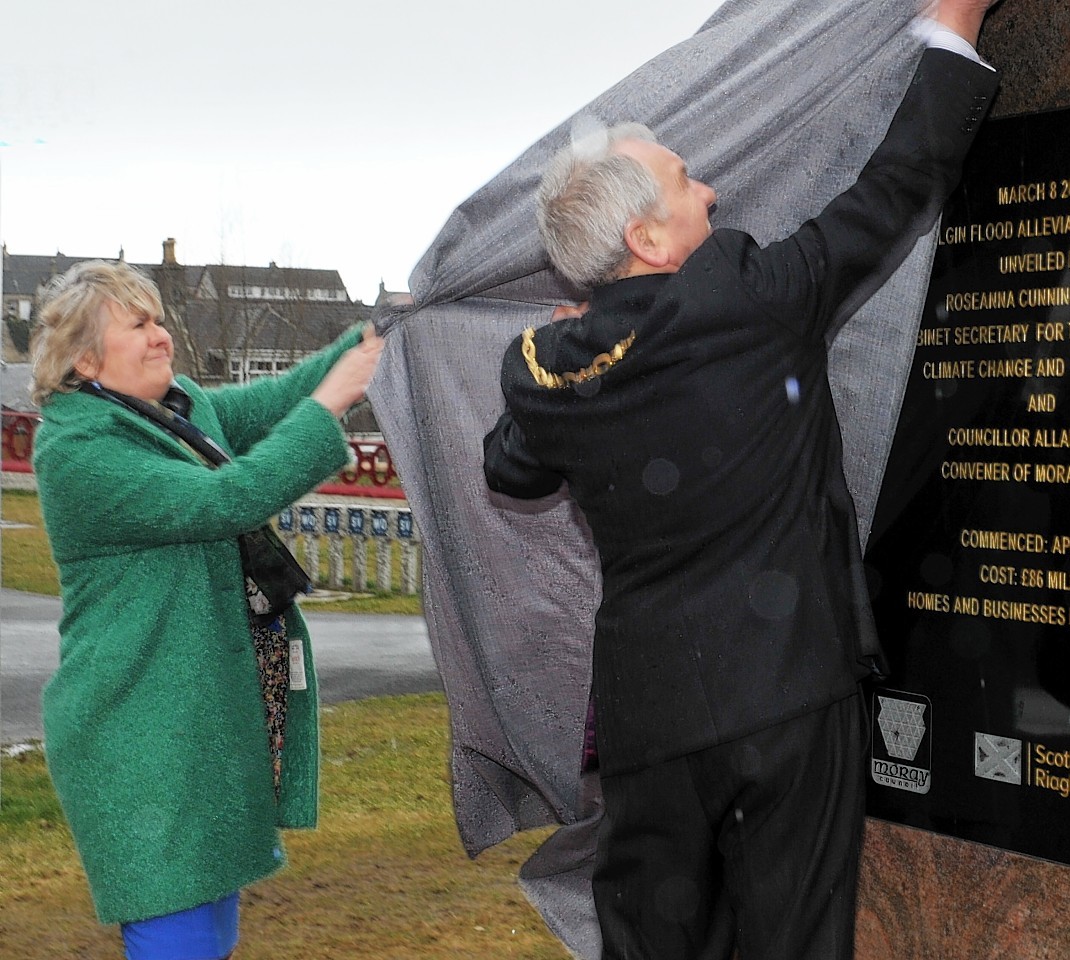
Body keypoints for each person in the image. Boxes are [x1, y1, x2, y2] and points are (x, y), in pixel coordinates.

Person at [483, 1, 1004, 956]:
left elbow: (509, 466)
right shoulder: (753, 300)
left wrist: (586, 328)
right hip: (787, 703)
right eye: (686, 183)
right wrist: (954, 28)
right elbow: (897, 184)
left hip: (650, 726)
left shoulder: (547, 368)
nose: (713, 192)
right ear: (647, 238)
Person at [29, 259, 382, 960]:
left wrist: (371, 338)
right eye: (140, 324)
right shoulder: (77, 451)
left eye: (159, 319)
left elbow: (279, 398)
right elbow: (226, 500)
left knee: (210, 935)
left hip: (197, 729)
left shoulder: (177, 409)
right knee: (178, 935)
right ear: (85, 358)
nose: (162, 335)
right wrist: (333, 402)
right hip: (139, 737)